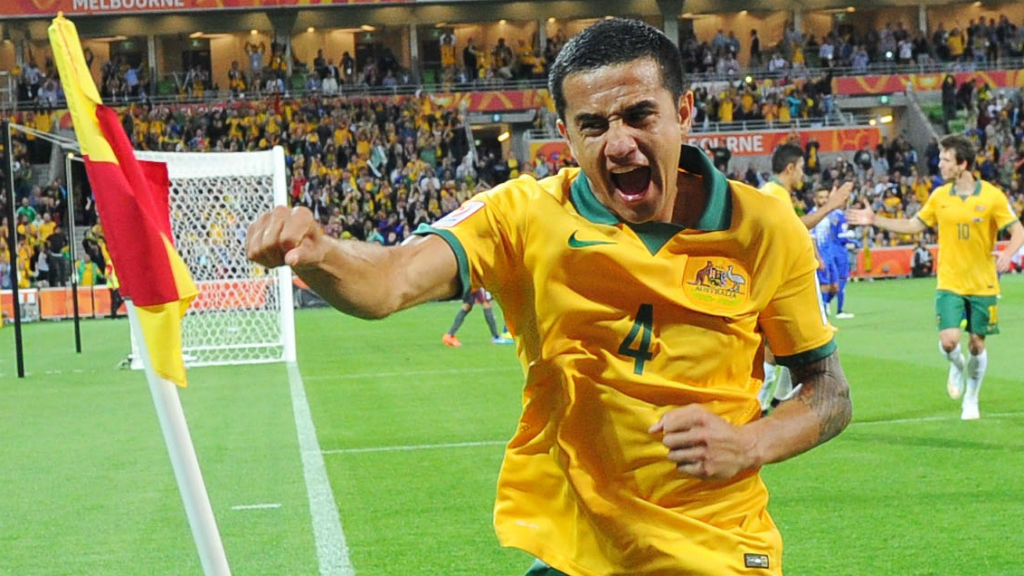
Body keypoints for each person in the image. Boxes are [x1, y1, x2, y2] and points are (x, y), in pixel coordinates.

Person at [247, 19, 851, 576]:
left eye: (640, 115)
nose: (619, 145)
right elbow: (391, 280)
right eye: (593, 125)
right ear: (565, 133)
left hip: (716, 549)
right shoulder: (524, 215)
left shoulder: (765, 227)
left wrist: (751, 442)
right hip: (575, 552)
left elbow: (828, 391)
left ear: (684, 111)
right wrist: (321, 252)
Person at [848, 134, 1024, 420]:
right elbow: (913, 225)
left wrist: (1008, 254)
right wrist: (874, 219)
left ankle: (972, 397)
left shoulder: (992, 196)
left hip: (983, 283)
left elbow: (1018, 230)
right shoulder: (939, 196)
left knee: (977, 343)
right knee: (949, 342)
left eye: (945, 159)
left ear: (962, 164)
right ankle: (956, 366)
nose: (939, 164)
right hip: (950, 282)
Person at [758, 142, 851, 411]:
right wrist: (832, 205)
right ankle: (763, 402)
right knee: (793, 345)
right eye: (800, 168)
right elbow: (794, 228)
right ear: (789, 168)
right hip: (780, 281)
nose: (802, 174)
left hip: (778, 278)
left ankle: (778, 400)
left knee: (787, 344)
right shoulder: (775, 193)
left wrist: (814, 255)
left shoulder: (776, 193)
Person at [442, 287, 512, 347]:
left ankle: (449, 336)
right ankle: (496, 337)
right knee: (486, 303)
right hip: (480, 280)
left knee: (467, 306)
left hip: (473, 280)